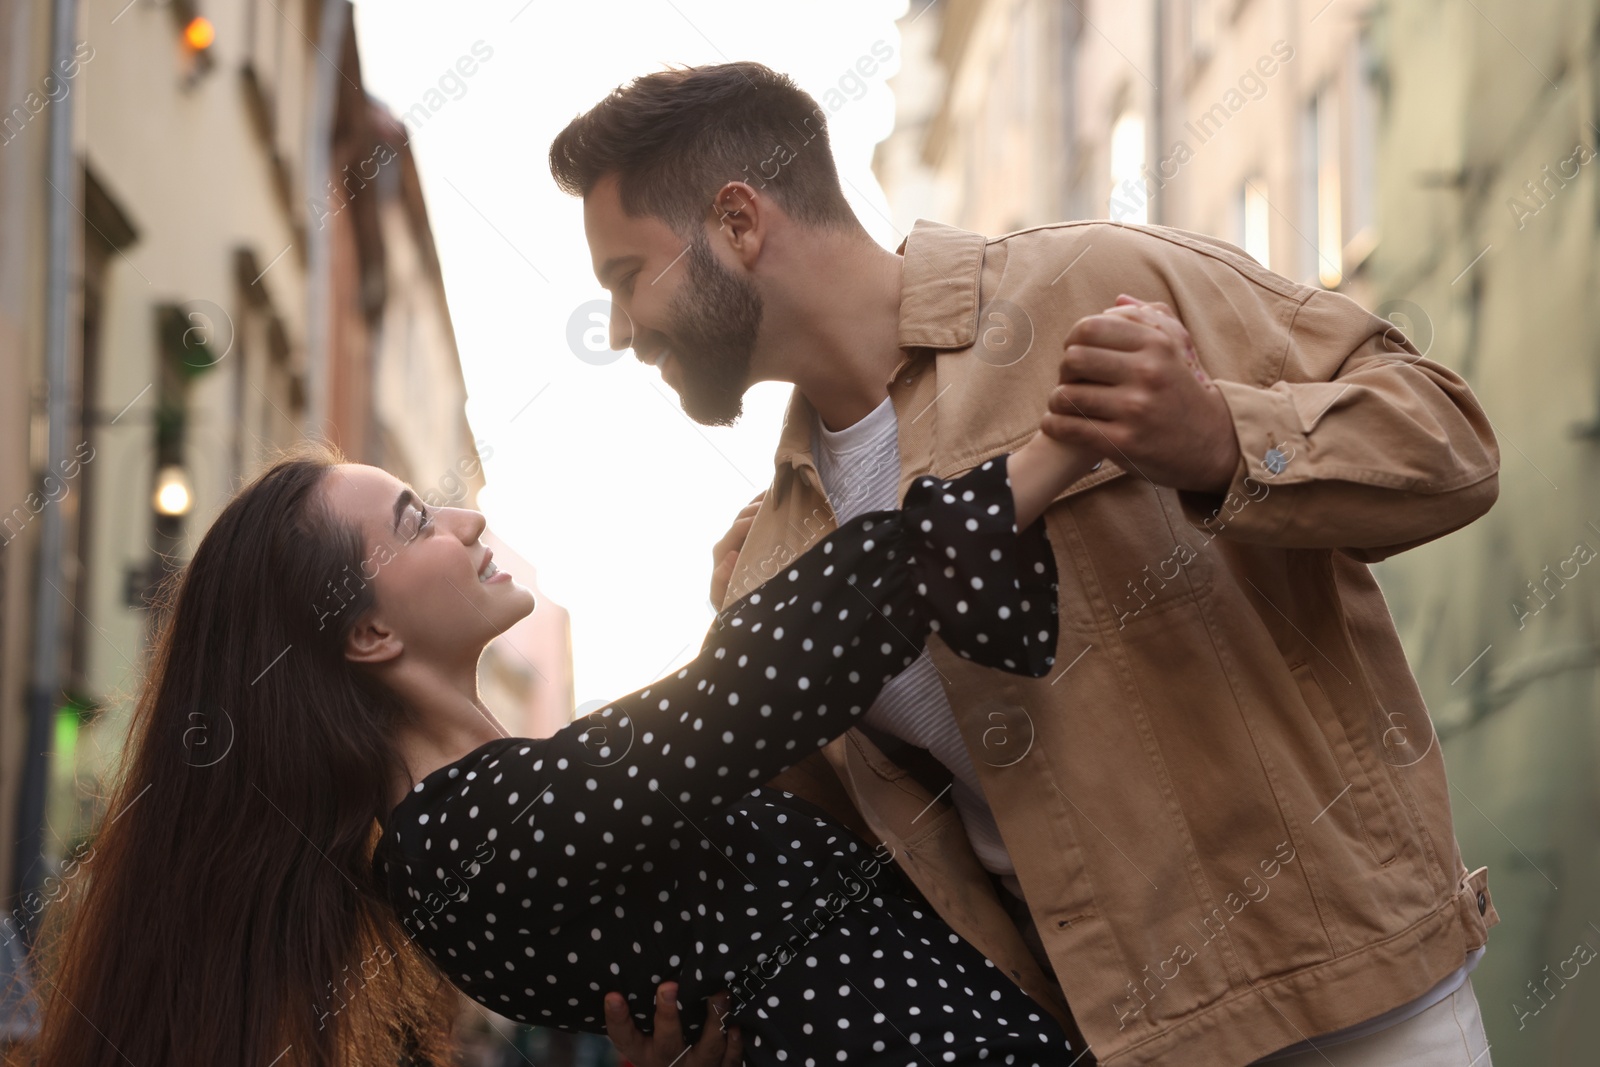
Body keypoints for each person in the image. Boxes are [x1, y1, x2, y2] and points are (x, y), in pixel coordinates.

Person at [551, 61, 1502, 1066]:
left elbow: (1449, 442)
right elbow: (866, 895)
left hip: (1357, 1010)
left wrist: (1222, 437)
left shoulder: (1094, 281)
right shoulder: (769, 565)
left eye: (624, 276)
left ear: (738, 224)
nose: (616, 329)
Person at [15, 406, 1099, 1065]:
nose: (467, 521)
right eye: (411, 521)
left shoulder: (490, 813)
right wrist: (1057, 451)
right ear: (371, 630)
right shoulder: (463, 837)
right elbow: (750, 689)